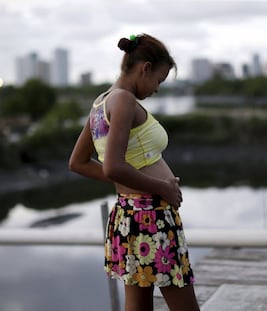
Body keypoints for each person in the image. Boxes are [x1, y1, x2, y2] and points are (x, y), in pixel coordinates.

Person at [68, 33, 200, 311]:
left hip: (129, 216)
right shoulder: (124, 101)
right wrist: (160, 187)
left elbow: (79, 163)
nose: (157, 89)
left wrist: (129, 184)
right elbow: (113, 166)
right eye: (159, 81)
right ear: (145, 68)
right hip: (152, 217)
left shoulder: (101, 103)